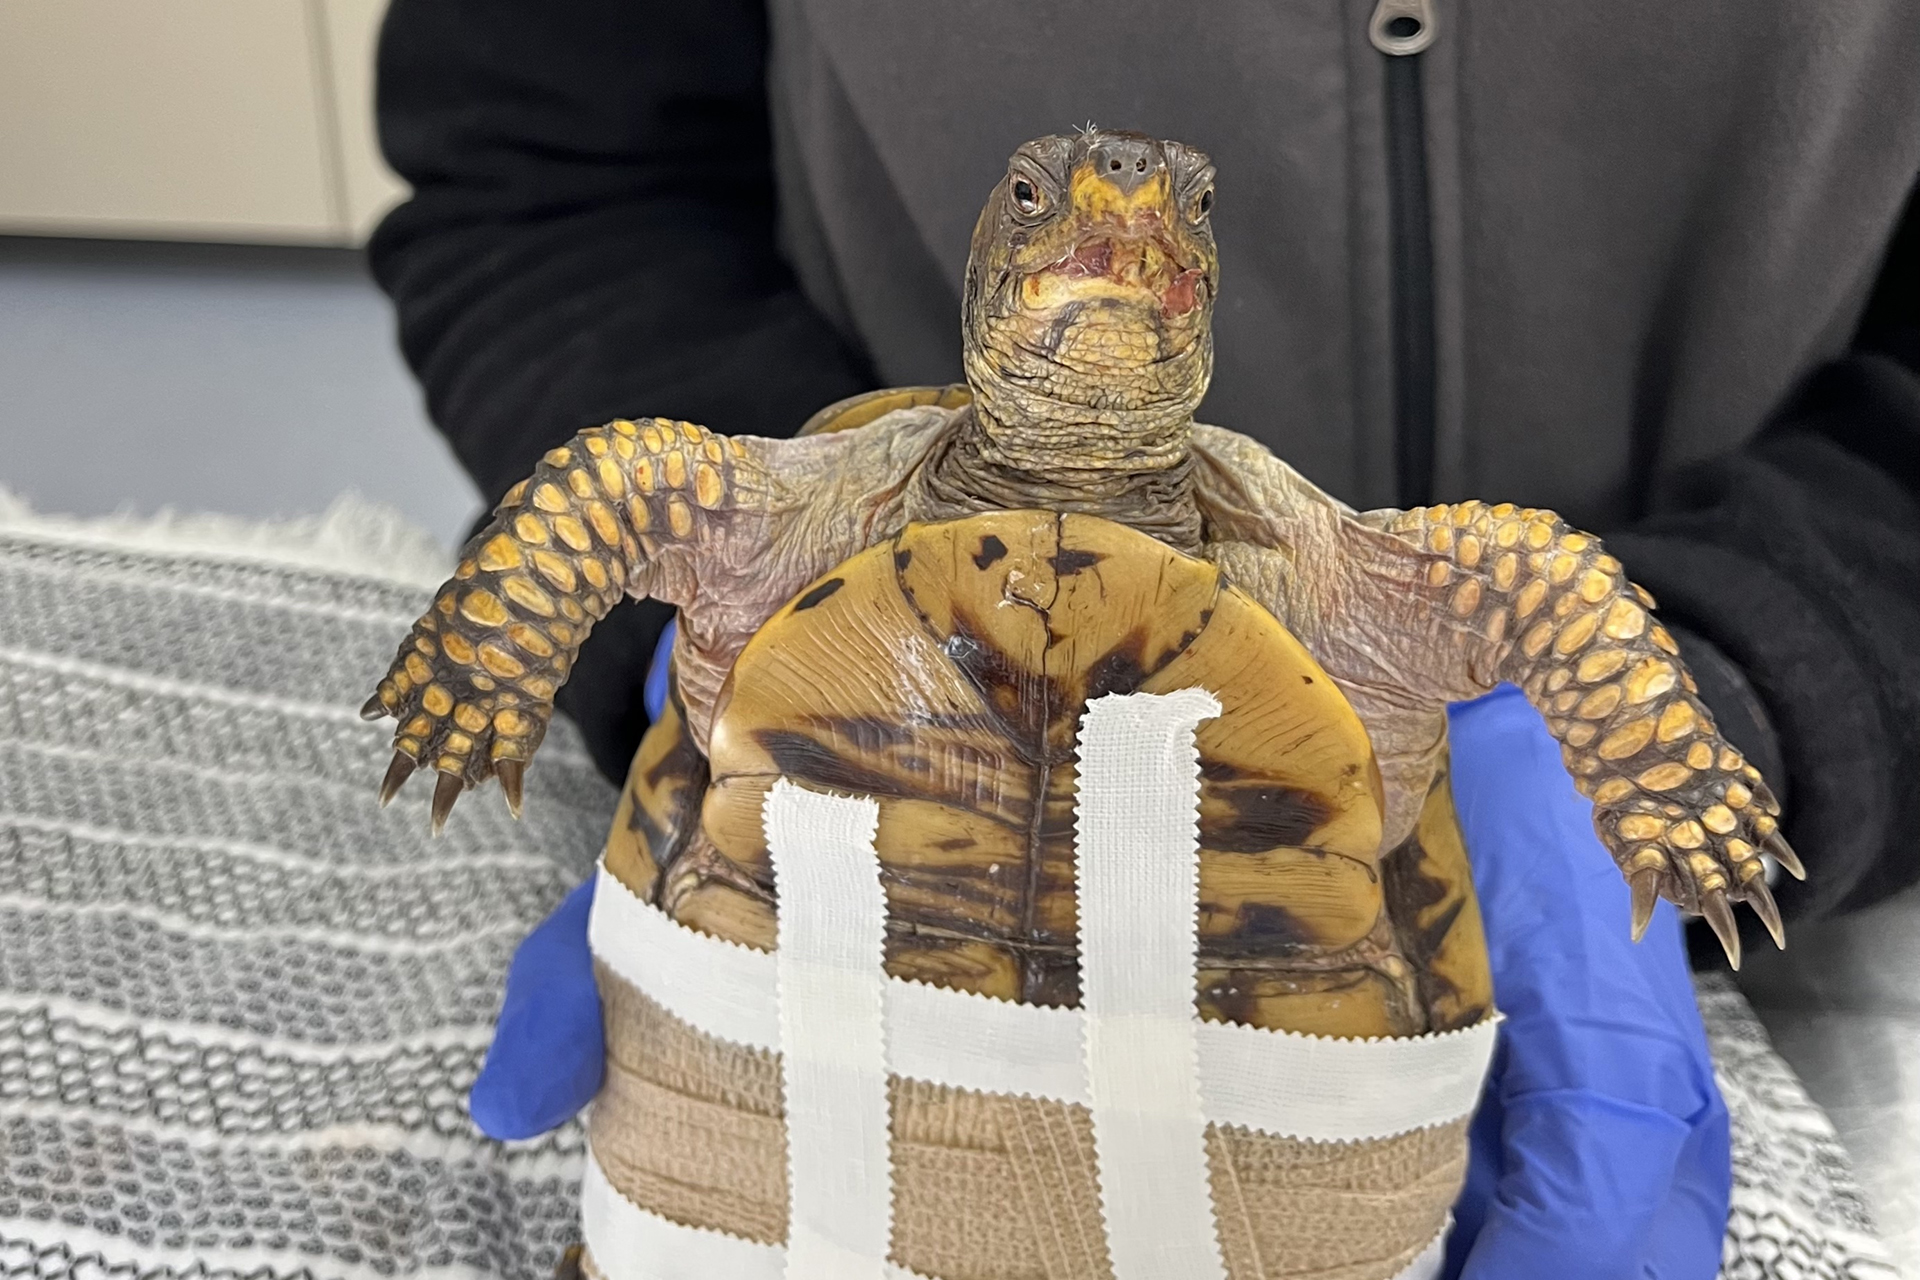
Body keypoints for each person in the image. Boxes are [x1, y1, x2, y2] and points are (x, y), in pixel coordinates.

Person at [367, 1, 1920, 1272]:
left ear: (1200, 272)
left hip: (1419, 974)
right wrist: (598, 635)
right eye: (1044, 200)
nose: (1116, 226)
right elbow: (544, 177)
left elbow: (1530, 588)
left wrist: (1724, 693)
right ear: (996, 254)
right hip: (821, 857)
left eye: (1173, 207)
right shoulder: (787, 510)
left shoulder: (1358, 583)